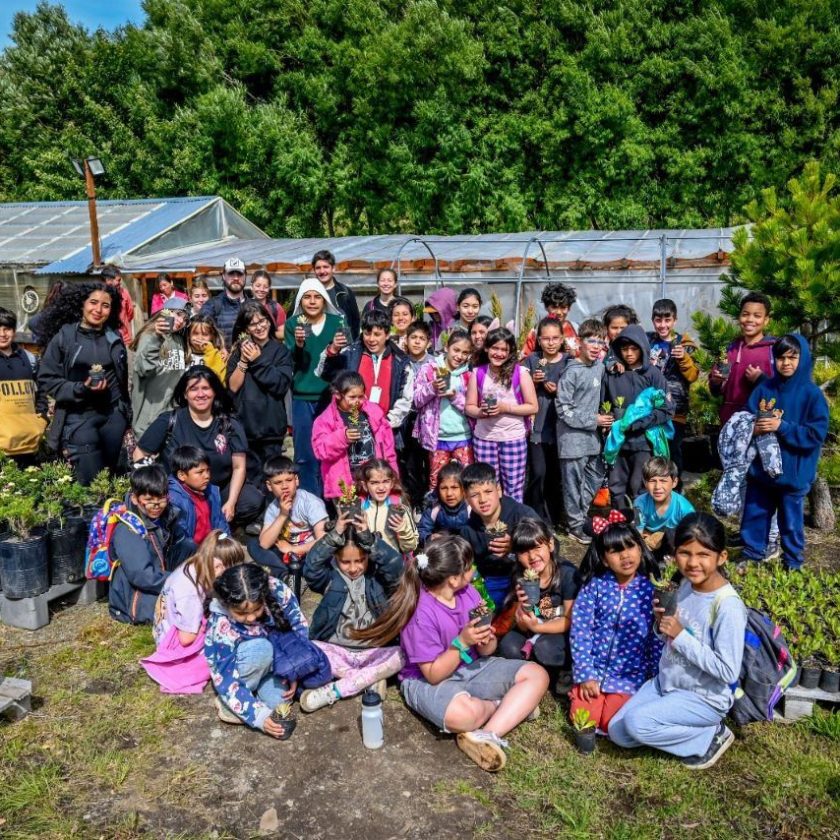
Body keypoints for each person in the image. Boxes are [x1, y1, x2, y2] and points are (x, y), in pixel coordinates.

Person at [353, 535, 548, 772]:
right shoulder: (420, 613)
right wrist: (461, 643)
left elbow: (488, 649)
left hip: (470, 667)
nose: (473, 571)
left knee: (537, 674)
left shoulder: (469, 595)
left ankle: (485, 735)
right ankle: (506, 706)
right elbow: (433, 674)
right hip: (426, 680)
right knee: (463, 716)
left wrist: (485, 640)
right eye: (468, 567)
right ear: (454, 579)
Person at [609, 513, 746, 770]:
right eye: (685, 553)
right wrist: (660, 623)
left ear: (722, 557)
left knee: (638, 724)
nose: (693, 563)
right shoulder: (683, 585)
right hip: (667, 683)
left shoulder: (727, 606)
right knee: (619, 733)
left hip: (703, 697)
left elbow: (728, 671)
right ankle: (669, 726)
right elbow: (667, 634)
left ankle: (711, 735)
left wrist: (681, 636)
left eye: (703, 555)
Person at [739, 334, 829, 571]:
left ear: (804, 359)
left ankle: (792, 562)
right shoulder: (764, 389)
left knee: (790, 521)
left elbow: (815, 435)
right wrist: (753, 427)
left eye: (792, 357)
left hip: (794, 473)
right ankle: (752, 554)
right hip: (761, 472)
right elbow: (746, 420)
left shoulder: (812, 395)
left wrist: (782, 427)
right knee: (755, 513)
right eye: (780, 357)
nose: (786, 363)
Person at [300, 512, 406, 711]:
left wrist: (369, 539)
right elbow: (311, 568)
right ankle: (369, 679)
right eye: (345, 562)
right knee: (310, 648)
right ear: (334, 558)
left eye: (360, 560)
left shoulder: (377, 577)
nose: (353, 567)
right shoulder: (330, 578)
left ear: (369, 557)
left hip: (373, 651)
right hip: (338, 651)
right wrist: (335, 534)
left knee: (403, 653)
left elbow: (396, 567)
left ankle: (334, 691)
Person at [134, 366, 263, 525]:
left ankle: (217, 523)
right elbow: (139, 453)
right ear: (185, 393)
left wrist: (231, 502)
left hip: (216, 490)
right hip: (177, 493)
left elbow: (239, 467)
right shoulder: (169, 421)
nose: (201, 394)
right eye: (194, 389)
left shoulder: (229, 424)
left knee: (251, 501)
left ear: (214, 391)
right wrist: (149, 488)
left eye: (206, 388)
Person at [570, 511, 662, 732]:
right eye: (615, 551)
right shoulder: (595, 586)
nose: (625, 556)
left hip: (629, 677)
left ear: (641, 548)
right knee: (583, 720)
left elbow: (656, 638)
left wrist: (652, 679)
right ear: (604, 558)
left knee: (611, 723)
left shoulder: (651, 591)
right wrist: (585, 674)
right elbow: (580, 630)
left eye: (630, 547)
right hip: (594, 669)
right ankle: (581, 689)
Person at [36, 282, 130, 484]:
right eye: (93, 302)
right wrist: (80, 388)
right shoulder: (65, 337)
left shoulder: (114, 337)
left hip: (113, 416)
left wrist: (124, 411)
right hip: (79, 417)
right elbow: (46, 379)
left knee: (111, 477)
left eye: (105, 305)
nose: (98, 310)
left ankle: (109, 514)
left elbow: (122, 377)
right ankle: (91, 515)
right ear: (82, 304)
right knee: (90, 481)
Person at [205, 563, 309, 735]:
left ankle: (249, 696)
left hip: (273, 666)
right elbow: (225, 676)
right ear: (226, 604)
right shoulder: (220, 625)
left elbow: (298, 626)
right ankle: (230, 702)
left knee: (280, 703)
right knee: (262, 649)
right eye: (241, 613)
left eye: (257, 609)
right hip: (242, 669)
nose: (251, 617)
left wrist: (294, 669)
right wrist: (258, 717)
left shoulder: (277, 591)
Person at [140, 530, 245, 694]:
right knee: (224, 647)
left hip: (167, 626)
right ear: (217, 565)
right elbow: (186, 639)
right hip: (173, 641)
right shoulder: (190, 593)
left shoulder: (195, 564)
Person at [495, 519, 580, 684]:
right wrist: (523, 610)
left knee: (546, 648)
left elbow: (571, 621)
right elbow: (521, 625)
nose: (532, 556)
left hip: (560, 631)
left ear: (550, 545)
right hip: (533, 631)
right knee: (508, 646)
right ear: (517, 556)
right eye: (524, 552)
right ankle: (536, 670)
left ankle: (563, 671)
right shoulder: (520, 576)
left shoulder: (567, 575)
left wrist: (539, 627)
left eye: (537, 547)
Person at [108, 464, 193, 625]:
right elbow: (142, 576)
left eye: (161, 499)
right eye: (148, 500)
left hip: (160, 573)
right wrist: (183, 581)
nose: (157, 506)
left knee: (189, 547)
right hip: (134, 597)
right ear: (135, 498)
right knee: (185, 608)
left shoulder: (165, 514)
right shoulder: (128, 529)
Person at [317, 308, 413, 445]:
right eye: (367, 334)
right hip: (353, 427)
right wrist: (332, 350)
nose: (371, 339)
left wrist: (386, 423)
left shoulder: (400, 361)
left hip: (386, 430)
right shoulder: (350, 354)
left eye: (377, 334)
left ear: (387, 335)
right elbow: (324, 374)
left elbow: (406, 398)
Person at [601, 324, 673, 504]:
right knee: (616, 484)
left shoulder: (653, 375)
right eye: (624, 349)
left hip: (643, 443)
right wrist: (606, 417)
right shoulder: (612, 374)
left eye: (634, 348)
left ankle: (639, 526)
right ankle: (619, 525)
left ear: (643, 348)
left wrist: (640, 422)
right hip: (618, 442)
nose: (629, 354)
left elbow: (667, 409)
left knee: (639, 485)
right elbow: (603, 403)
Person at [284, 277, 343, 496]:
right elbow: (292, 361)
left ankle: (333, 498)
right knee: (305, 452)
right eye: (307, 297)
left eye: (317, 297)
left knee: (330, 449)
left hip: (330, 397)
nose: (312, 301)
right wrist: (299, 344)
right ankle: (309, 500)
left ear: (324, 300)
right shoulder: (294, 324)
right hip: (302, 397)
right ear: (300, 300)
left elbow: (344, 358)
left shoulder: (337, 323)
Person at [465, 326, 538, 502]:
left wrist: (505, 408)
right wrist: (482, 412)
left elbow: (533, 407)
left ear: (511, 351)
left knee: (513, 486)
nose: (499, 353)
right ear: (486, 348)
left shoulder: (521, 373)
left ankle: (512, 525)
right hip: (484, 439)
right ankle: (492, 526)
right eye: (495, 348)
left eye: (504, 349)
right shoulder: (478, 373)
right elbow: (469, 407)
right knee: (487, 487)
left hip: (513, 438)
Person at [227, 301, 293, 482]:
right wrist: (243, 360)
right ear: (246, 328)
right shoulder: (239, 350)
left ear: (270, 321)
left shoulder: (280, 351)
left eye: (262, 321)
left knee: (273, 479)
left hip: (271, 429)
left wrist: (257, 360)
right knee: (250, 480)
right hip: (245, 427)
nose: (259, 327)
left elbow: (280, 385)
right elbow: (232, 387)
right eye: (253, 324)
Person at [458, 462, 540, 608]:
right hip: (488, 583)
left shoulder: (522, 515)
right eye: (475, 495)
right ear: (466, 498)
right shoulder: (468, 530)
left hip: (523, 578)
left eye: (488, 492)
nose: (483, 500)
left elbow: (551, 547)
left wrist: (516, 546)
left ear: (499, 490)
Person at [311, 371, 398, 508]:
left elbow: (388, 449)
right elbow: (320, 450)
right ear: (338, 395)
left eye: (361, 396)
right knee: (351, 521)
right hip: (345, 483)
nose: (357, 401)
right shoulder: (325, 420)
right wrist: (342, 437)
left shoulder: (374, 412)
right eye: (351, 397)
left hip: (374, 479)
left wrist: (394, 476)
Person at [555, 318, 608, 544]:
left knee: (596, 476)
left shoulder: (600, 367)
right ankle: (575, 525)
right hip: (572, 441)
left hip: (592, 441)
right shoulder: (571, 373)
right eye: (591, 341)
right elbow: (562, 408)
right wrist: (593, 419)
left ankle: (579, 515)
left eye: (600, 342)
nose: (596, 346)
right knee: (572, 484)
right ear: (579, 342)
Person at [248, 456, 329, 579]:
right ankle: (284, 575)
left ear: (296, 480)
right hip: (285, 553)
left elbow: (324, 540)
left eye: (289, 480)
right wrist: (282, 515)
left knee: (323, 554)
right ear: (269, 486)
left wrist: (293, 549)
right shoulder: (273, 507)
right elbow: (264, 544)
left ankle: (297, 573)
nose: (284, 486)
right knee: (253, 544)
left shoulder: (311, 503)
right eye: (278, 482)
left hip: (308, 553)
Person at [413, 329, 474, 490]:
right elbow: (417, 400)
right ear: (447, 347)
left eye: (465, 352)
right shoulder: (429, 369)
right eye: (456, 350)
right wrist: (432, 388)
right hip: (437, 438)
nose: (459, 356)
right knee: (436, 480)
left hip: (463, 436)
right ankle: (435, 511)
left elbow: (472, 408)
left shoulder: (468, 375)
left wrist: (455, 396)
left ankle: (466, 512)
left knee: (466, 480)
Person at [646, 298, 699, 477]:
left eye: (667, 320)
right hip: (648, 410)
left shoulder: (685, 345)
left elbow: (692, 375)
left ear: (675, 320)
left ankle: (675, 494)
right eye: (658, 320)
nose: (662, 325)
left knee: (672, 455)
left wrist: (683, 358)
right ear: (653, 320)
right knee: (652, 456)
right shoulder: (647, 342)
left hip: (675, 412)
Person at [522, 317, 565, 527]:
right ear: (538, 339)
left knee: (555, 474)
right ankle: (536, 515)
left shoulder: (569, 361)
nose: (550, 342)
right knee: (538, 473)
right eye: (546, 338)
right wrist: (533, 381)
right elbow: (517, 386)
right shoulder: (532, 360)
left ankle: (555, 517)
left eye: (555, 338)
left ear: (562, 339)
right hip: (537, 428)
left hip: (561, 430)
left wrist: (560, 390)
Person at [710, 292, 776, 425]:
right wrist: (716, 382)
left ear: (766, 320)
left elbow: (783, 389)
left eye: (757, 316)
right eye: (745, 314)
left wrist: (761, 380)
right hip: (730, 423)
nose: (750, 320)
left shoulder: (773, 350)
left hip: (761, 422)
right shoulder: (729, 350)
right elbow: (716, 391)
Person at [130, 298, 188, 438]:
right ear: (165, 313)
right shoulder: (149, 336)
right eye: (177, 314)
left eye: (185, 318)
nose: (181, 321)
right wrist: (157, 336)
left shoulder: (178, 340)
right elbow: (143, 368)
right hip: (148, 419)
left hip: (171, 416)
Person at [0, 306, 47, 463]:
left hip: (28, 440)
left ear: (14, 331)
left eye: (7, 329)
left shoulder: (29, 359)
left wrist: (42, 418)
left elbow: (40, 389)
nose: (2, 334)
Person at [634, 457, 696, 559]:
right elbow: (638, 532)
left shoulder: (685, 509)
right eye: (652, 481)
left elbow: (692, 537)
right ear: (645, 483)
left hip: (676, 540)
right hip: (650, 539)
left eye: (663, 481)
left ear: (674, 482)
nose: (658, 487)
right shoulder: (639, 504)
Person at [400, 319, 433, 508]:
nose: (417, 342)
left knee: (428, 462)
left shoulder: (434, 363)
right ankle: (414, 501)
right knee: (410, 463)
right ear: (406, 339)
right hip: (407, 418)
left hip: (428, 419)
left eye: (422, 338)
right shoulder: (402, 362)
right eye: (413, 337)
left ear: (428, 342)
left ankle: (427, 501)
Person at [167, 445, 227, 546]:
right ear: (182, 475)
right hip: (190, 553)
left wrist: (225, 542)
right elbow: (181, 538)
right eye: (200, 472)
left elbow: (220, 522)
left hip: (210, 548)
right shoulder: (175, 500)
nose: (207, 476)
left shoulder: (212, 492)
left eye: (208, 470)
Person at [358, 458, 419, 553]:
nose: (381, 488)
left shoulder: (399, 508)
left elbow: (411, 547)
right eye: (374, 483)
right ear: (365, 485)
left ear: (392, 483)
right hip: (367, 564)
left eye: (386, 481)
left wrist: (403, 530)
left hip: (394, 564)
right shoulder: (360, 508)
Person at [520, 282, 579, 358]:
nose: (559, 312)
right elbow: (525, 358)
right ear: (546, 307)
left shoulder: (577, 329)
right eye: (554, 307)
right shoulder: (536, 331)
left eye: (563, 307)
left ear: (569, 308)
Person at [312, 249, 360, 340]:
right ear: (314, 270)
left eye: (326, 267)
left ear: (333, 268)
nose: (322, 271)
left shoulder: (345, 292)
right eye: (318, 268)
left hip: (343, 348)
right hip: (316, 347)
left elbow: (355, 322)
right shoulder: (306, 293)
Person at [418, 461, 470, 544]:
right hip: (441, 551)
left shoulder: (471, 508)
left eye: (454, 487)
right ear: (438, 489)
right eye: (444, 488)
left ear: (463, 489)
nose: (449, 493)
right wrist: (429, 538)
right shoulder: (434, 508)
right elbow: (422, 530)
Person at [201, 257, 249, 346]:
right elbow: (199, 332)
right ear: (223, 275)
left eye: (239, 274)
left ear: (245, 275)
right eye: (231, 274)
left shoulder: (254, 306)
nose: (236, 278)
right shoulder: (212, 305)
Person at [186, 314, 227, 382]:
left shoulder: (218, 355)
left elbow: (220, 380)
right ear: (188, 335)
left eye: (205, 334)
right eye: (195, 333)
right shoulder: (183, 352)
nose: (200, 338)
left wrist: (211, 352)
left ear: (212, 336)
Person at [101, 265, 135, 345]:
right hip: (106, 339)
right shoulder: (100, 296)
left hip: (125, 339)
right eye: (118, 280)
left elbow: (130, 313)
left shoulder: (124, 293)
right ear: (108, 281)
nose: (120, 283)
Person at [249, 269, 286, 340]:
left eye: (265, 287)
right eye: (258, 285)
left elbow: (283, 333)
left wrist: (265, 335)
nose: (261, 289)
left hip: (272, 348)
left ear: (269, 288)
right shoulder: (245, 307)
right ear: (251, 286)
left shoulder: (275, 307)